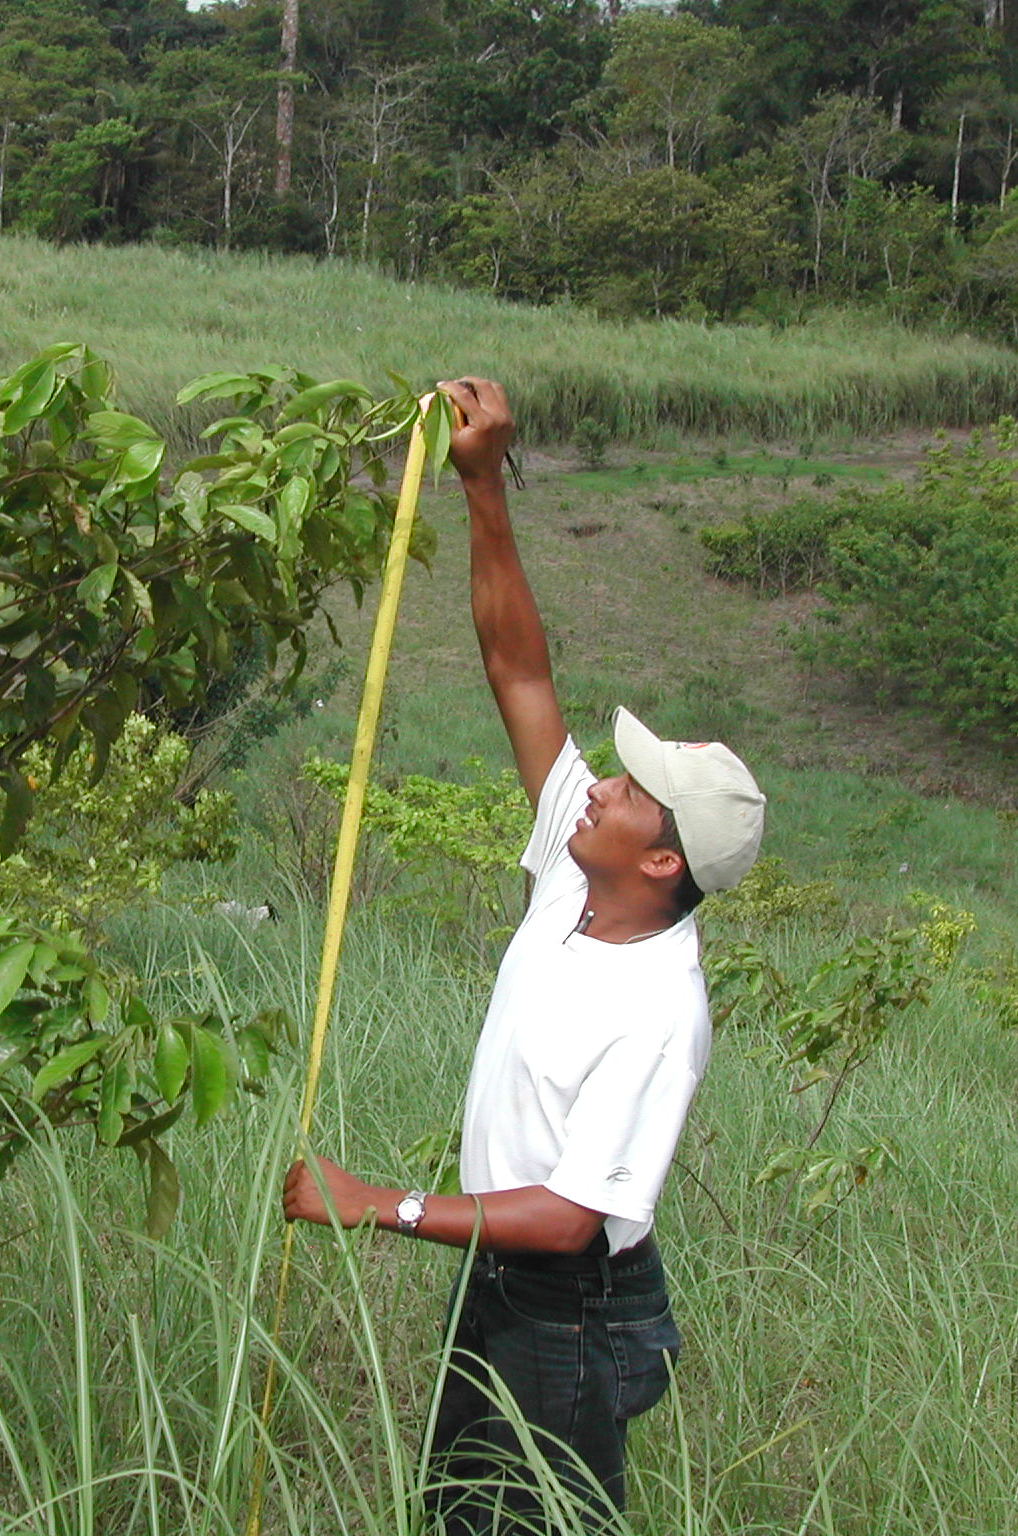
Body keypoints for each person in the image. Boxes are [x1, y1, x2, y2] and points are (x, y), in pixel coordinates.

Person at [280, 376, 766, 1532]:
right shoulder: (575, 870)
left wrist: (375, 1205)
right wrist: (480, 484)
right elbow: (518, 672)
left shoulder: (658, 1005)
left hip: (569, 1312)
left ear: (663, 862)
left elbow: (562, 1218)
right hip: (502, 1287)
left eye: (629, 792)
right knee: (455, 1512)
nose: (597, 783)